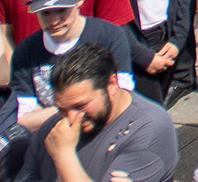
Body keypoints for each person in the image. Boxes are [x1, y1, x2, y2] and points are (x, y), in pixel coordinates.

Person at [9, 0, 143, 137]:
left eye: (61, 10)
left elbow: (122, 94)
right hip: (55, 137)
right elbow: (24, 119)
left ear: (80, 1)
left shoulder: (109, 35)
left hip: (108, 131)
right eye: (45, 13)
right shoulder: (25, 51)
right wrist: (80, 107)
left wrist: (53, 113)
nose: (54, 20)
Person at [18, 44, 178, 182]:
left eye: (80, 106)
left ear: (112, 84)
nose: (71, 118)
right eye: (62, 109)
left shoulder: (149, 131)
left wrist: (63, 155)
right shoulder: (54, 127)